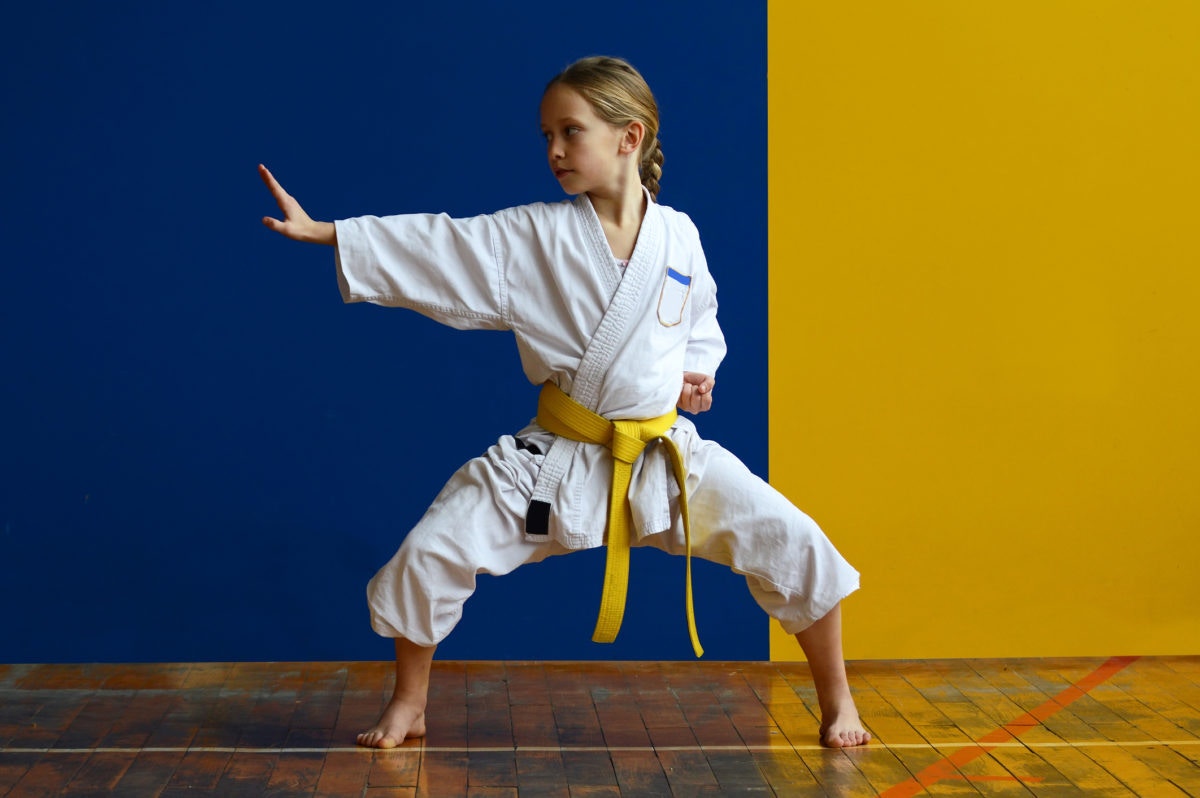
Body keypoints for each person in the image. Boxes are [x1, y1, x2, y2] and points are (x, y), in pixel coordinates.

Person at [259, 56, 870, 749]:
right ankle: (409, 702)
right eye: (546, 134)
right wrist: (332, 232)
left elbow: (700, 321)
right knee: (430, 552)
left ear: (629, 137)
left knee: (795, 541)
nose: (552, 150)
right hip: (555, 460)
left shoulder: (680, 237)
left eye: (569, 131)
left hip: (663, 455)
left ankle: (838, 699)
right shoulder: (532, 235)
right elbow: (443, 243)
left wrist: (695, 373)